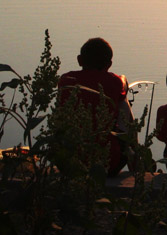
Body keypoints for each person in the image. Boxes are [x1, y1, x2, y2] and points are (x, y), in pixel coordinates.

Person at [57, 37, 135, 176]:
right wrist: (124, 79)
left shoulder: (65, 80)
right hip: (108, 163)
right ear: (109, 64)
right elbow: (120, 84)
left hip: (68, 163)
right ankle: (135, 155)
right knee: (123, 102)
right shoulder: (115, 82)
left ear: (79, 60)